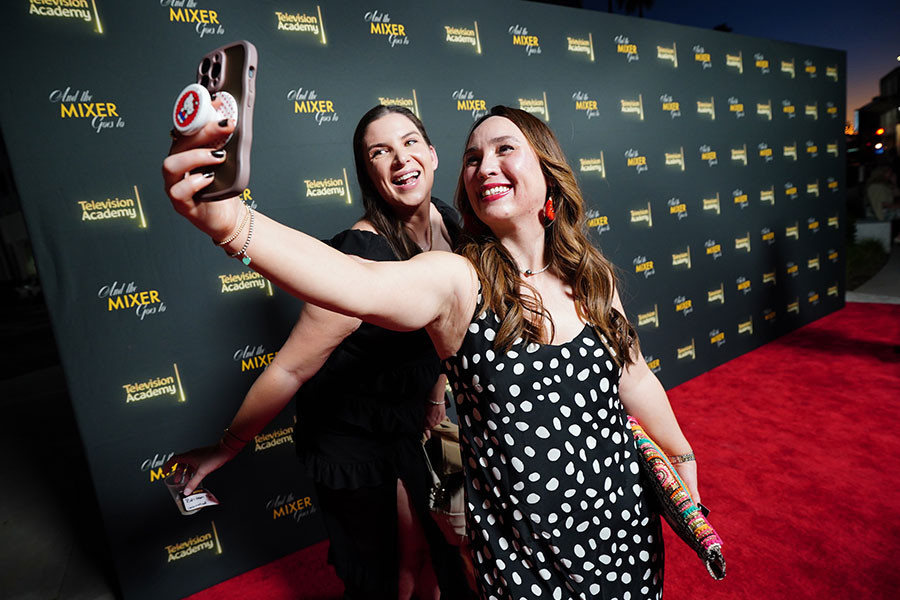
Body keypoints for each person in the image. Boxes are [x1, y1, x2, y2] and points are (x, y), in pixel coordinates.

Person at [164, 105, 699, 599]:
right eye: (474, 158)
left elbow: (635, 377)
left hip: (622, 521)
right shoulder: (458, 279)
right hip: (520, 543)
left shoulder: (588, 276)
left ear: (549, 174)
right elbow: (355, 283)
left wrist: (682, 458)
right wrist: (231, 222)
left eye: (504, 149)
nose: (485, 164)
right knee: (399, 562)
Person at [165, 105, 470, 600]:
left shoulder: (451, 225)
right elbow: (288, 369)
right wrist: (225, 448)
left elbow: (446, 330)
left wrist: (436, 395)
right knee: (393, 569)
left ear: (433, 155)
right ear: (368, 173)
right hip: (353, 437)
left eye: (410, 142)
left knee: (435, 554)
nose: (400, 159)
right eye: (380, 152)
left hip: (410, 421)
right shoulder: (359, 254)